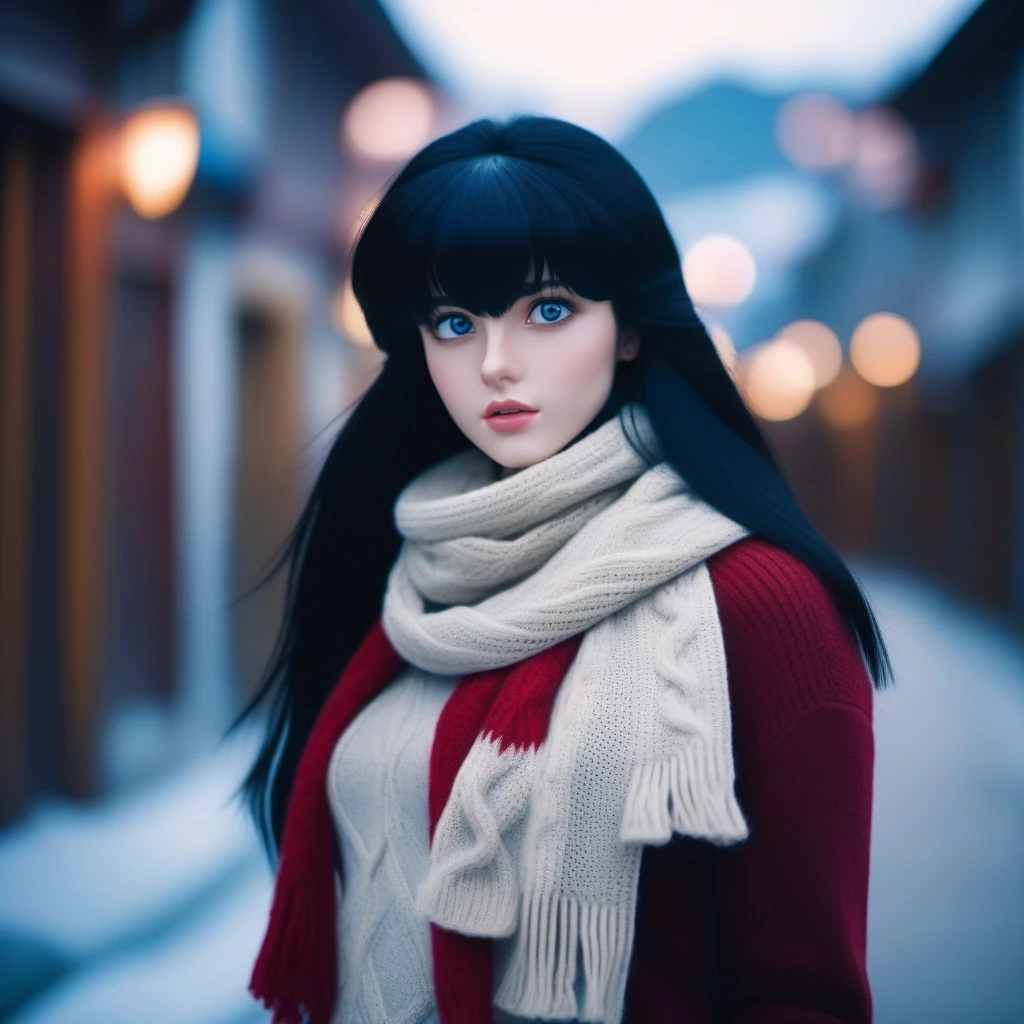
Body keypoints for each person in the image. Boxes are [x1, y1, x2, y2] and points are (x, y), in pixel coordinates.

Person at [239, 115, 889, 1024]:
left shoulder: (762, 603)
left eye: (549, 311)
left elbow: (801, 994)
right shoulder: (410, 569)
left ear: (628, 328)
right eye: (454, 321)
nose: (496, 365)